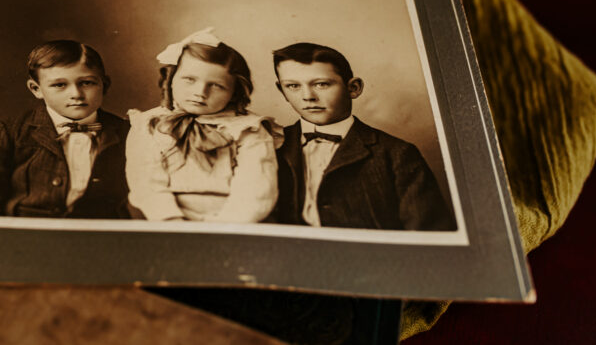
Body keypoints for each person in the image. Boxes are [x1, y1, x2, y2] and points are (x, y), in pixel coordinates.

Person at [271, 42, 456, 230]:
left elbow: (428, 233)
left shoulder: (397, 153)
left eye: (321, 84)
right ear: (282, 91)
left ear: (354, 88)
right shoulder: (270, 143)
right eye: (293, 86)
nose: (308, 96)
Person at [0, 40, 128, 218]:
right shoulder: (9, 131)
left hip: (100, 240)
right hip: (24, 239)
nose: (76, 94)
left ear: (105, 85)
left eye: (87, 83)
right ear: (36, 89)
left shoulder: (127, 132)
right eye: (60, 85)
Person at [126, 28, 279, 222]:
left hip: (232, 221)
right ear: (170, 79)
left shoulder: (249, 128)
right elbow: (145, 181)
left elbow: (257, 187)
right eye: (189, 80)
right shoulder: (149, 123)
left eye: (216, 85)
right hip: (163, 219)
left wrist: (224, 228)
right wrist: (170, 222)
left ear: (235, 92)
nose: (200, 92)